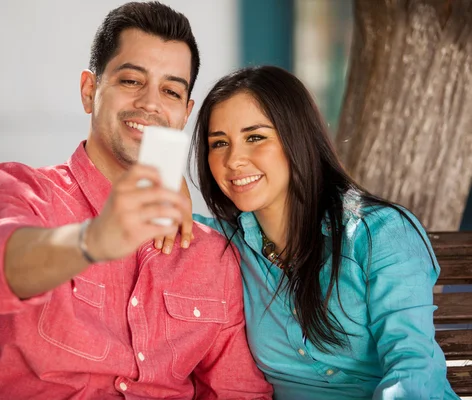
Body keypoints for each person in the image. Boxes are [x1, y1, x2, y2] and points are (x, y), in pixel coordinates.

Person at [0, 3, 272, 399]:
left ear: (185, 113)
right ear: (90, 91)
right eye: (130, 81)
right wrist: (92, 240)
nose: (151, 103)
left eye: (171, 90)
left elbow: (239, 392)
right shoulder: (22, 192)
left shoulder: (210, 256)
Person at [191, 65, 459, 400]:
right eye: (219, 143)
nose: (233, 160)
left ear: (296, 137)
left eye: (255, 137)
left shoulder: (378, 232)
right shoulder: (224, 244)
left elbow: (412, 368)